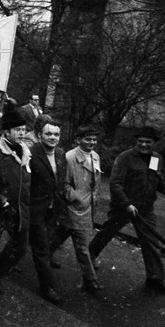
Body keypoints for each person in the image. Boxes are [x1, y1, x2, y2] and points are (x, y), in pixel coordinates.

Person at [89, 126, 165, 297]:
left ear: (154, 143)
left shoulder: (157, 158)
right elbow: (115, 184)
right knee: (107, 232)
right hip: (124, 207)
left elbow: (157, 180)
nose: (143, 145)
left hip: (145, 210)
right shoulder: (125, 157)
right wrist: (126, 204)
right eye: (140, 141)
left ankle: (155, 279)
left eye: (147, 142)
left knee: (152, 243)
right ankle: (89, 257)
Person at [0, 99, 31, 304]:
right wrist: (2, 201)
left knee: (19, 248)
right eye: (17, 130)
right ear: (6, 132)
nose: (21, 133)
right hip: (0, 210)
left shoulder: (25, 150)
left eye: (23, 130)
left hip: (20, 208)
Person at [49, 124, 103, 292]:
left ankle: (43, 254)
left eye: (94, 139)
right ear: (78, 140)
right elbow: (63, 184)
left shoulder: (95, 156)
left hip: (87, 207)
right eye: (88, 139)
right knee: (82, 246)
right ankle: (90, 279)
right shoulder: (70, 157)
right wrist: (76, 198)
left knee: (60, 235)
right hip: (74, 208)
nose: (91, 142)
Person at [27, 118, 65, 303]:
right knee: (41, 248)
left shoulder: (60, 153)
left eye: (56, 134)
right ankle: (47, 287)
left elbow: (60, 180)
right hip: (36, 209)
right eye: (48, 134)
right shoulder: (31, 153)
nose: (52, 137)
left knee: (24, 246)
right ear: (40, 135)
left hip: (53, 209)